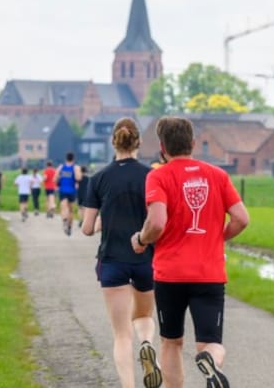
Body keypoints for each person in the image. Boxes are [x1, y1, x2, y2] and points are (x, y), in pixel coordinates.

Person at [132, 116, 249, 388]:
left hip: (170, 275)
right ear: (194, 143)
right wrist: (216, 239)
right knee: (211, 343)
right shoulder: (218, 175)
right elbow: (242, 219)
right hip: (209, 274)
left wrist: (141, 238)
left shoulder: (158, 176)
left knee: (171, 342)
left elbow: (157, 222)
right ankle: (209, 360)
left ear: (162, 146)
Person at [82, 117, 161, 388]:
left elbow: (87, 228)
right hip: (146, 259)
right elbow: (157, 219)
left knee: (121, 335)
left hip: (112, 261)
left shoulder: (98, 178)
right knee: (143, 317)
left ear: (112, 142)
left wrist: (107, 217)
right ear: (138, 142)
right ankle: (148, 345)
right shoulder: (151, 176)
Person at [56, 152, 82, 236]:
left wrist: (60, 179)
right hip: (72, 190)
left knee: (63, 207)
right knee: (70, 210)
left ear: (66, 158)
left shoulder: (61, 167)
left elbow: (55, 179)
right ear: (73, 159)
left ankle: (64, 221)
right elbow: (79, 178)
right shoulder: (76, 167)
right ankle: (70, 227)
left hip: (62, 190)